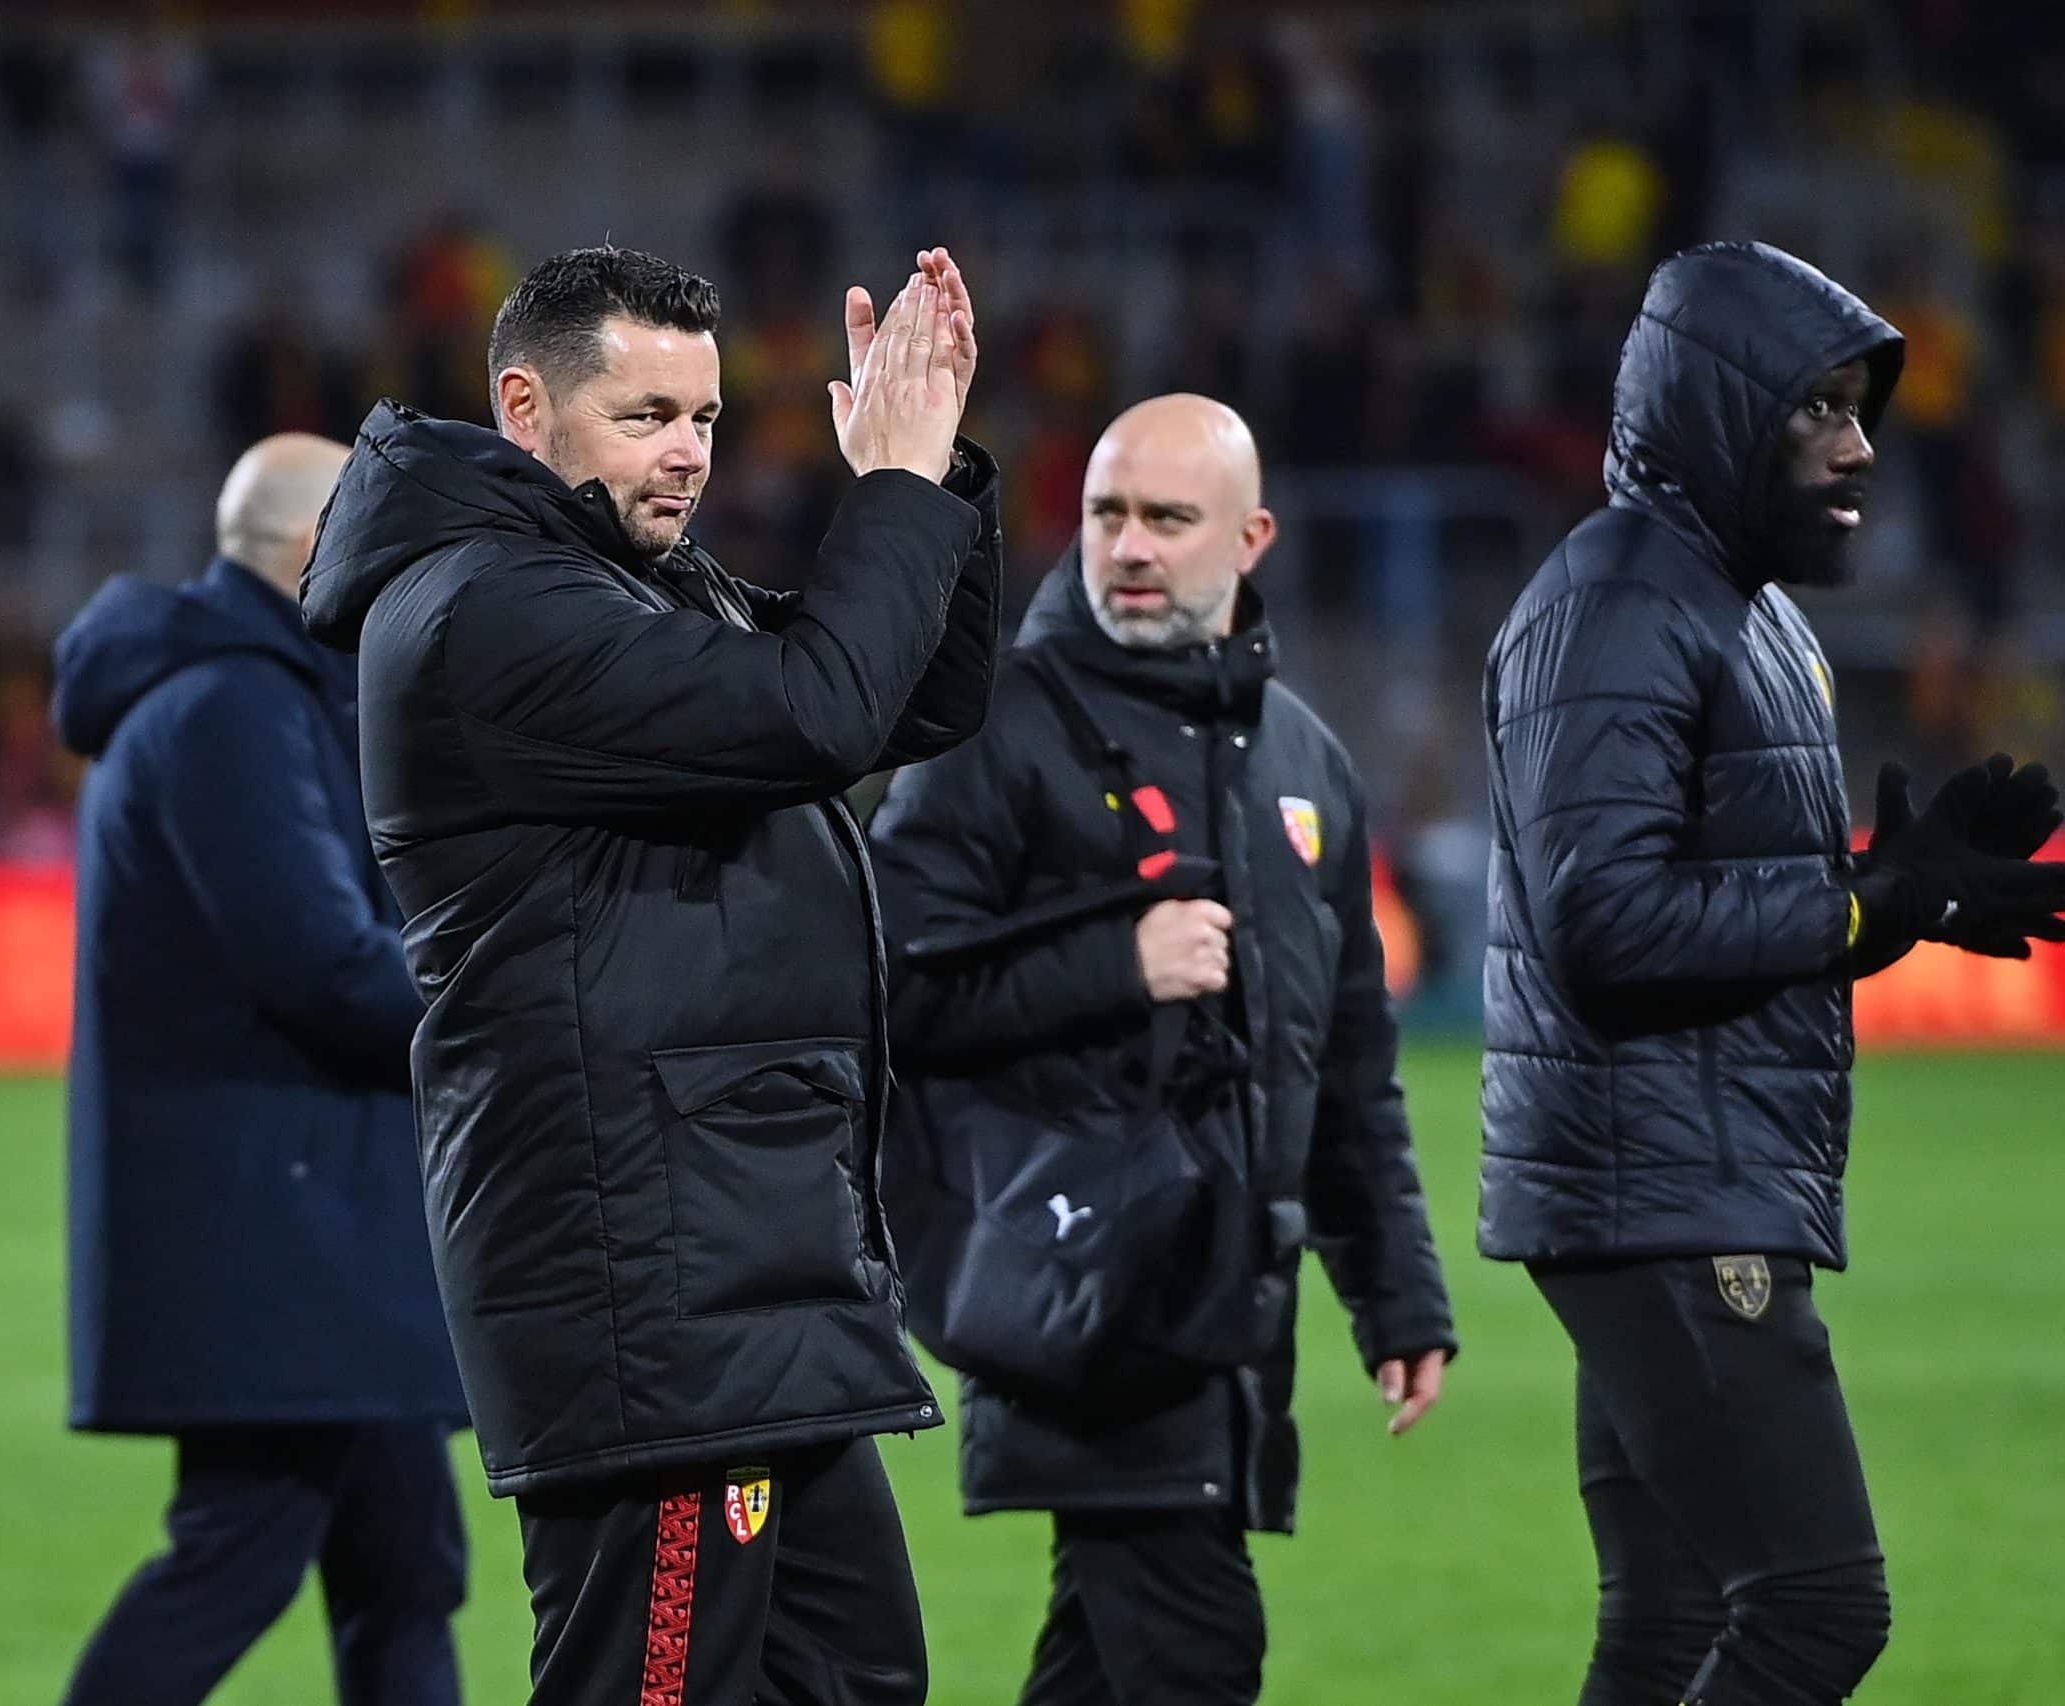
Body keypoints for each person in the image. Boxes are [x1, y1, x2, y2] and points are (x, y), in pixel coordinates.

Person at [303, 243, 1002, 1705]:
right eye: (645, 417)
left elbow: (912, 692)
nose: (687, 452)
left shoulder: (625, 588)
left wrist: (928, 479)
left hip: (739, 1278)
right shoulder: (485, 612)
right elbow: (818, 712)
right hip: (652, 1294)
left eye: (704, 416)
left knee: (853, 1678)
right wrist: (885, 494)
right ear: (524, 405)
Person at [1480, 240, 2065, 1706]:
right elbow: (1604, 922)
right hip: (1664, 1194)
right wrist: (1862, 901)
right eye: (1817, 408)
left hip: (1671, 1181)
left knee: (1672, 1624)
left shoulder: (1742, 608)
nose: (1860, 444)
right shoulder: (1621, 599)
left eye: (1862, 407)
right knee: (1816, 1608)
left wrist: (1902, 894)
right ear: (1712, 412)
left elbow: (1727, 899)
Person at [870, 394, 1457, 1706]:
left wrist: (1397, 1290)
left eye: (1166, 519)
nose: (1128, 545)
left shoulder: (1305, 762)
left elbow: (1344, 1056)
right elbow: (884, 986)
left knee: (1109, 1665)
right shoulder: (995, 729)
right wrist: (1114, 964)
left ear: (1250, 537)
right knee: (1195, 1655)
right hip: (1082, 1280)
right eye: (1105, 514)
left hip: (1230, 1303)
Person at [50, 434, 470, 1706]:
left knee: (406, 1567)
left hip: (309, 1218)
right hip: (277, 1234)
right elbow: (325, 967)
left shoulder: (250, 690)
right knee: (238, 1555)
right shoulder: (229, 707)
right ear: (312, 554)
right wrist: (517, 1000)